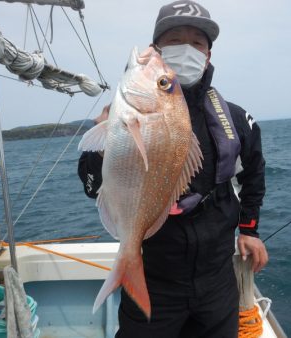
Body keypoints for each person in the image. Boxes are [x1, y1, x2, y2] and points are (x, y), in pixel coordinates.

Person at [78, 1, 268, 337]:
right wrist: (106, 139)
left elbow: (253, 174)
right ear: (157, 50)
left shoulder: (236, 120)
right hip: (156, 274)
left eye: (197, 43)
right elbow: (93, 186)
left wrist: (249, 230)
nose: (187, 48)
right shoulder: (124, 110)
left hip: (217, 278)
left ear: (208, 55)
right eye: (175, 39)